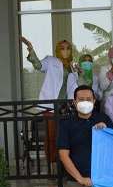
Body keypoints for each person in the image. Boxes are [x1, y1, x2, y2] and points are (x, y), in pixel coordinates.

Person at [19, 36, 75, 165]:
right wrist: (30, 48)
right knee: (51, 136)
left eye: (68, 48)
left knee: (66, 137)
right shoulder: (51, 61)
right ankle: (51, 165)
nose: (65, 50)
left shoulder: (71, 67)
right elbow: (38, 65)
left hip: (67, 108)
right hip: (52, 106)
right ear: (57, 50)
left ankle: (65, 166)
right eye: (62, 48)